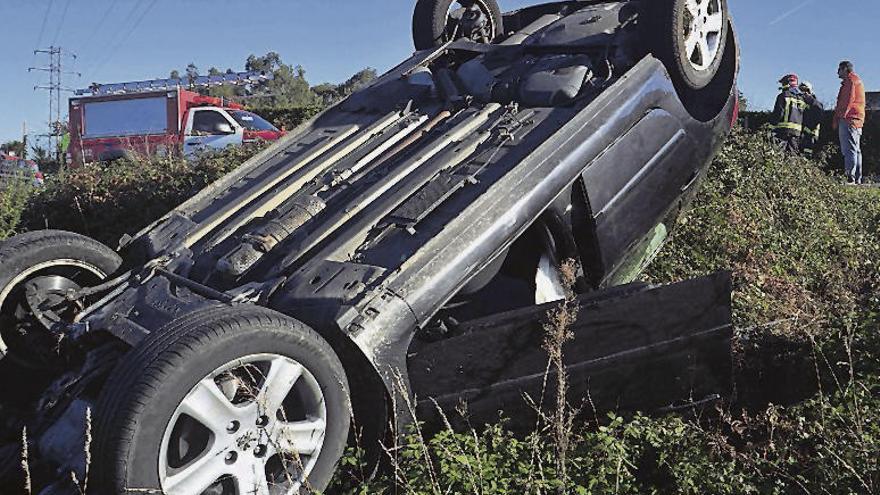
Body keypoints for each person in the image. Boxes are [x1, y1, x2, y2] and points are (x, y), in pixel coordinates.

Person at [833, 61, 866, 184]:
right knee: (855, 149)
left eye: (839, 69)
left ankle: (850, 177)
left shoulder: (850, 82)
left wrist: (839, 117)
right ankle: (857, 177)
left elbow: (847, 101)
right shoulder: (856, 81)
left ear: (845, 69)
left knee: (849, 149)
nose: (837, 72)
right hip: (856, 119)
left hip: (849, 119)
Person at [771, 74, 806, 153]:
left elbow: (778, 113)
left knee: (779, 154)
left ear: (787, 84)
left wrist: (771, 126)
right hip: (797, 132)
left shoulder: (783, 95)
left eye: (783, 83)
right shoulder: (802, 98)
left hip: (783, 130)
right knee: (792, 154)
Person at [799, 81, 824, 155]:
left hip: (811, 134)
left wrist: (807, 129)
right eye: (801, 90)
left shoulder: (815, 104)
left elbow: (818, 119)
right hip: (802, 133)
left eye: (805, 90)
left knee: (807, 152)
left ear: (809, 91)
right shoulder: (802, 102)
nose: (803, 93)